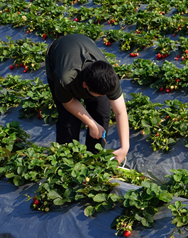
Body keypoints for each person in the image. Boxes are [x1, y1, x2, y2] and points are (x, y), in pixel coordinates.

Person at [45, 34, 130, 163]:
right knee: (69, 120)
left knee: (102, 114)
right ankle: (66, 161)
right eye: (100, 94)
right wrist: (90, 123)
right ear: (85, 85)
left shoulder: (109, 78)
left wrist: (125, 147)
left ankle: (94, 160)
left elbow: (121, 112)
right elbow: (68, 103)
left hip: (85, 44)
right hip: (58, 54)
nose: (104, 96)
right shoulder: (65, 79)